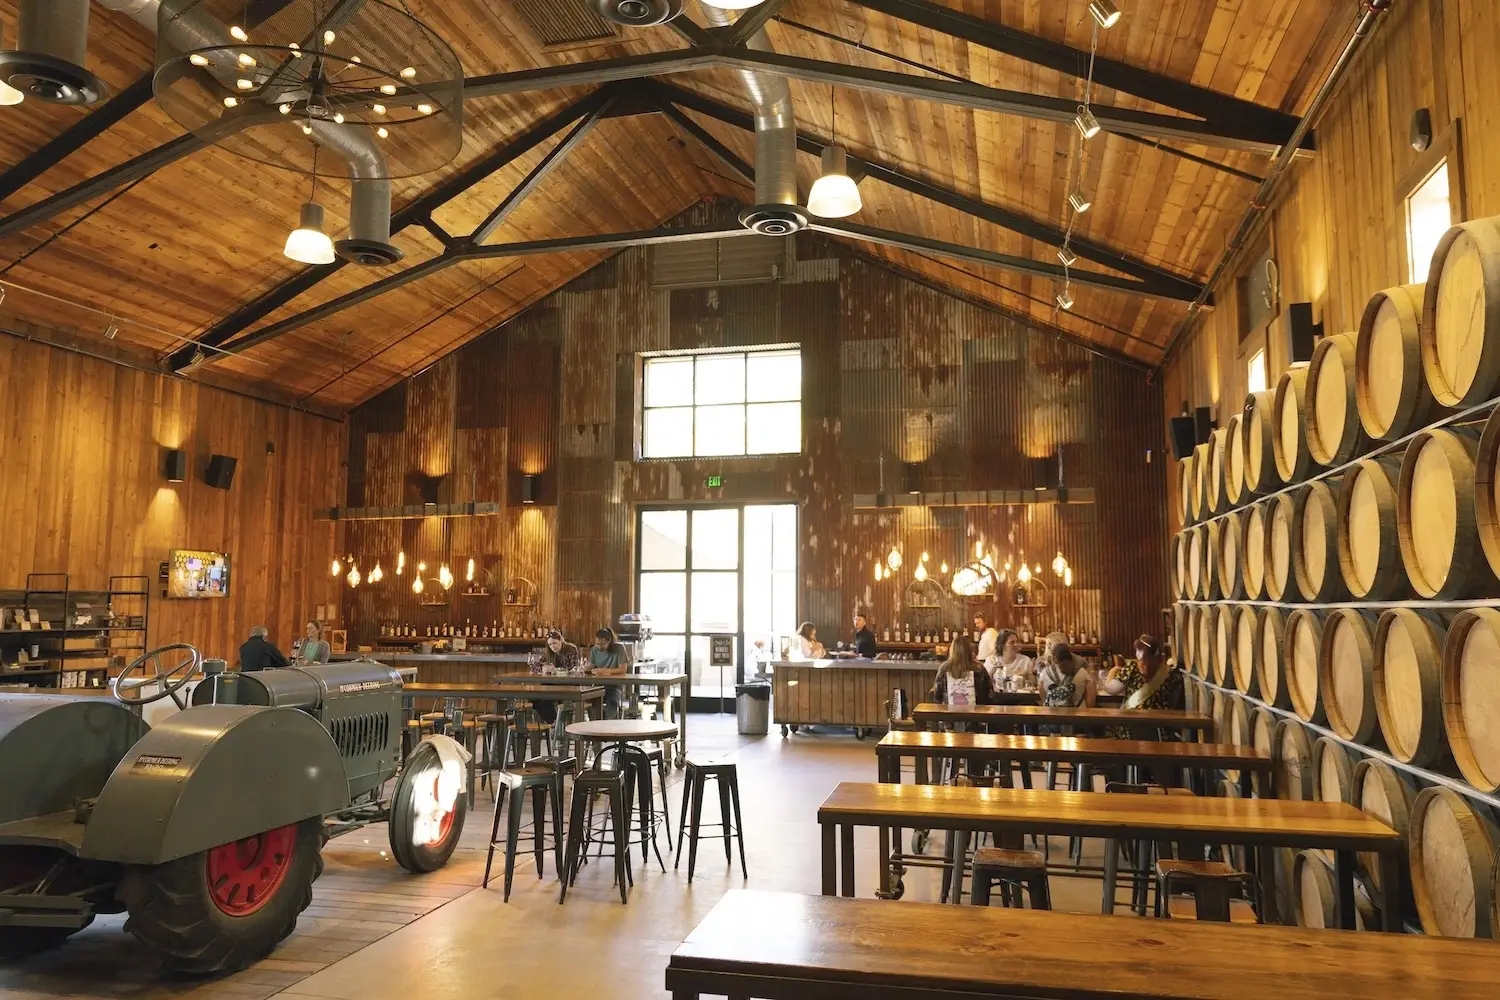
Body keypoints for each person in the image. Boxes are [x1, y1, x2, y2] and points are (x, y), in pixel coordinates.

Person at [930, 633, 993, 707]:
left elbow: (937, 697)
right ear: (969, 650)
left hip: (949, 716)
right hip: (977, 716)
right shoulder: (979, 668)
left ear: (952, 649)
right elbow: (989, 694)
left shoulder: (944, 668)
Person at [535, 629, 581, 724]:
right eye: (550, 644)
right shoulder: (548, 652)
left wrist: (556, 670)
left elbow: (573, 668)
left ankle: (554, 721)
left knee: (544, 698)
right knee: (536, 698)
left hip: (569, 685)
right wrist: (543, 668)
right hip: (552, 684)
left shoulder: (571, 649)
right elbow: (535, 666)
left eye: (555, 643)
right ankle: (552, 720)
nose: (552, 646)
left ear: (561, 640)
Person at [1038, 635, 1096, 708]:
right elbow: (1091, 687)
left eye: (1050, 644)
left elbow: (1041, 692)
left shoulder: (1079, 662)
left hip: (1052, 714)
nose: (1048, 647)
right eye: (1047, 644)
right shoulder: (1081, 669)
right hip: (1077, 714)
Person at [588, 626, 629, 719]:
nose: (599, 646)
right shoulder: (595, 649)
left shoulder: (619, 648)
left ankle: (607, 725)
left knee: (612, 703)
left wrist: (605, 671)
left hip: (614, 686)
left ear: (609, 641)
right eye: (597, 643)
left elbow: (623, 669)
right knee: (593, 702)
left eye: (602, 644)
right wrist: (583, 668)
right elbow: (589, 666)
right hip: (598, 686)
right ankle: (597, 726)